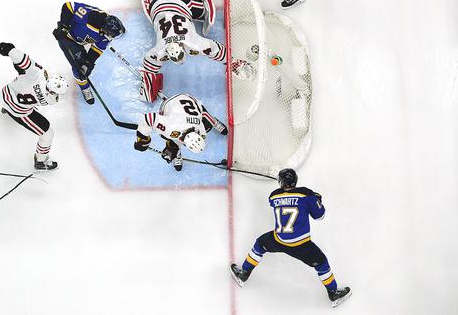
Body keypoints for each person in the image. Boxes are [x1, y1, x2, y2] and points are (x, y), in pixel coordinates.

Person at [229, 168, 352, 308]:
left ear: (281, 182)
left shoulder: (273, 196)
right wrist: (317, 199)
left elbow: (281, 200)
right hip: (302, 245)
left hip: (279, 240)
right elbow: (320, 215)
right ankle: (333, 292)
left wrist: (301, 196)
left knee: (260, 244)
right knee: (322, 263)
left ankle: (244, 273)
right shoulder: (306, 194)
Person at [129, 0, 256, 101]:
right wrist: (232, 63)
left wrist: (148, 92)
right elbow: (216, 49)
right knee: (158, 15)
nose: (179, 61)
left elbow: (149, 66)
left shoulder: (165, 50)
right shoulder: (188, 45)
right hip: (160, 5)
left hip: (174, 3)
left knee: (201, 14)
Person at [0, 42, 68, 170]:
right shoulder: (51, 99)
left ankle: (5, 109)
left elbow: (24, 61)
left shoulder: (37, 75)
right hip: (17, 110)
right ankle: (40, 162)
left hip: (5, 93)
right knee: (47, 134)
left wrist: (10, 50)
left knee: (21, 74)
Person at [52, 2, 125, 104]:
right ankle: (84, 87)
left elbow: (97, 49)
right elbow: (69, 5)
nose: (110, 37)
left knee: (83, 67)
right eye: (111, 34)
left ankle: (82, 74)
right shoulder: (91, 16)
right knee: (77, 68)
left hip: (80, 40)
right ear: (105, 28)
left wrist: (88, 62)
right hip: (67, 37)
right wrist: (63, 27)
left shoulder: (107, 36)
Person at [133, 93, 227, 171]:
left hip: (189, 98)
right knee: (165, 136)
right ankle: (176, 152)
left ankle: (215, 122)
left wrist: (143, 139)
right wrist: (143, 139)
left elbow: (204, 115)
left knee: (205, 120)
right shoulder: (170, 128)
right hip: (169, 104)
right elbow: (147, 119)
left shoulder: (202, 132)